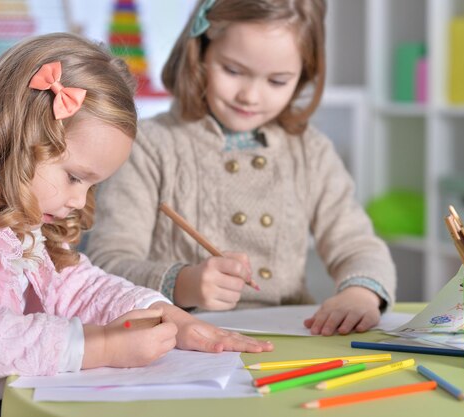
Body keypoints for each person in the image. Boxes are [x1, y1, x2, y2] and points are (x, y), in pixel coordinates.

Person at [0, 33, 272, 417]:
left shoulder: (19, 206)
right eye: (74, 177)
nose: (79, 202)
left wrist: (168, 316)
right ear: (20, 137)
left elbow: (77, 285)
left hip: (5, 394)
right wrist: (99, 347)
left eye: (91, 185)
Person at [86, 0, 397, 337]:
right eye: (233, 71)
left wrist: (361, 294)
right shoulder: (148, 144)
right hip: (181, 338)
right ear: (200, 51)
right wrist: (184, 284)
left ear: (303, 76)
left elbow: (356, 243)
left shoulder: (311, 151)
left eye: (277, 81)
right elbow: (107, 264)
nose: (250, 96)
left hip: (289, 335)